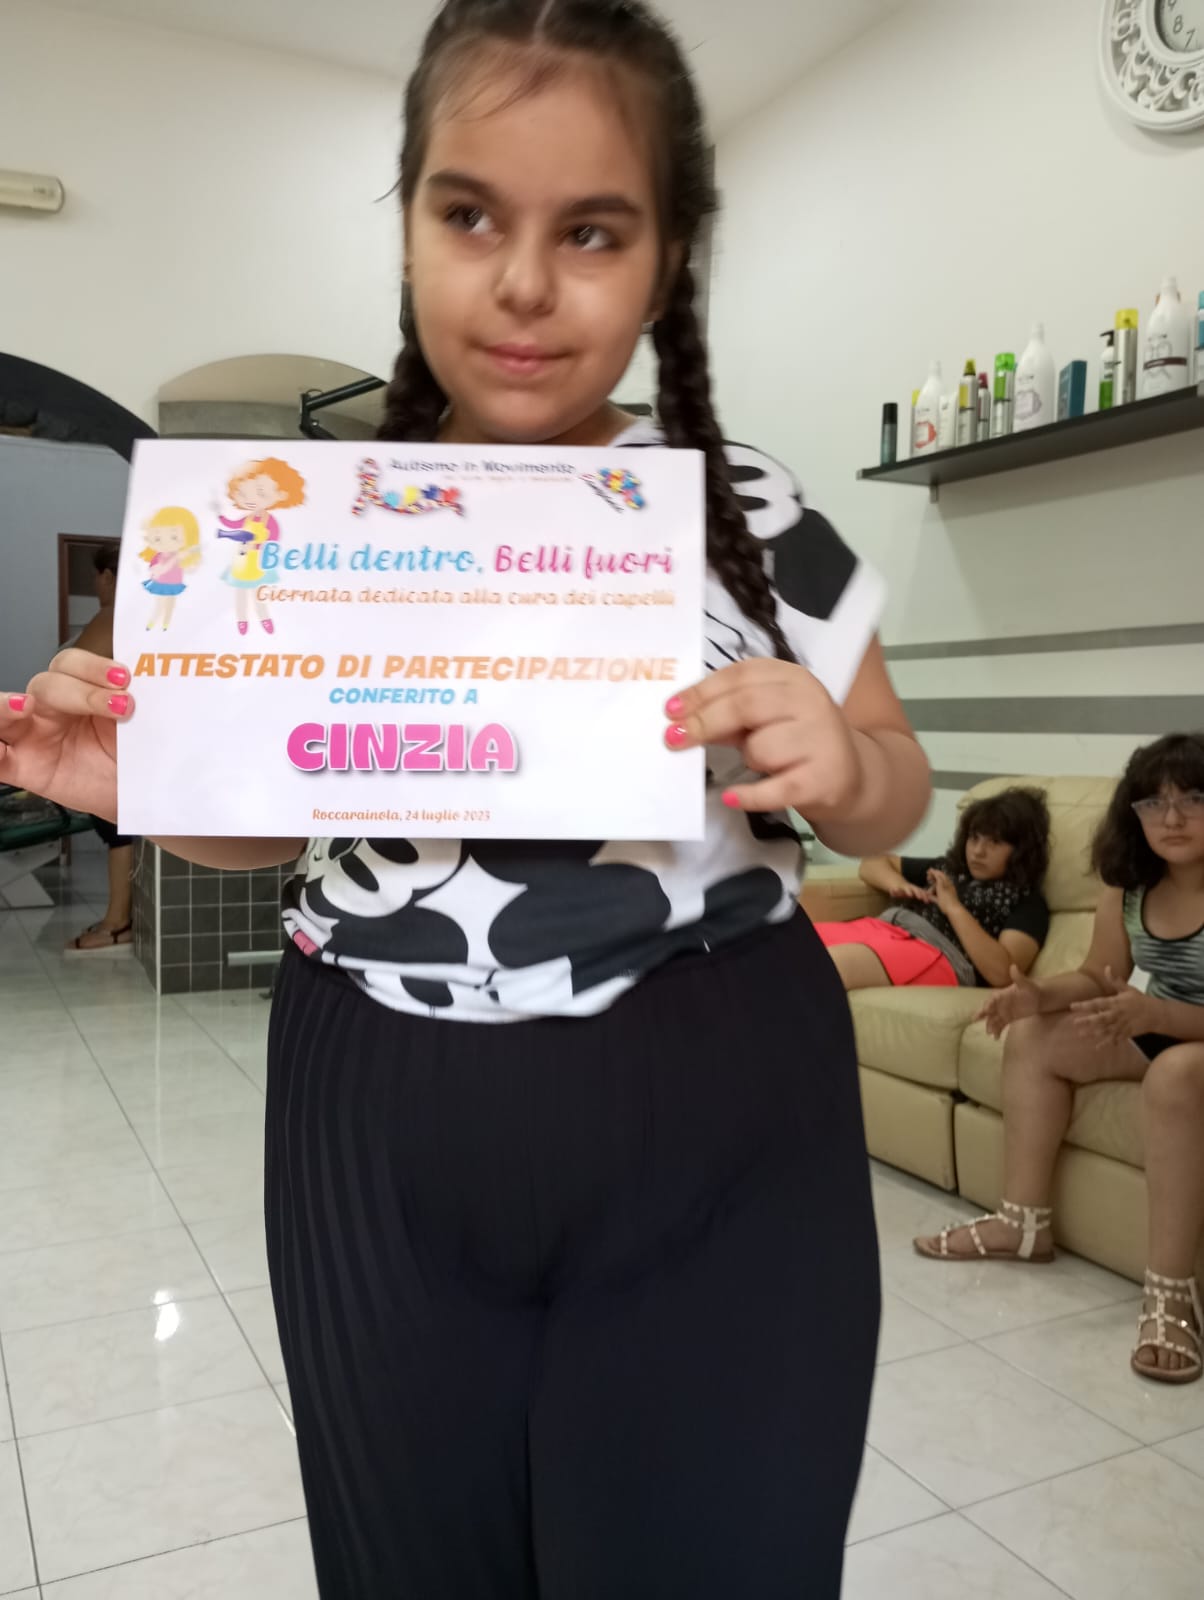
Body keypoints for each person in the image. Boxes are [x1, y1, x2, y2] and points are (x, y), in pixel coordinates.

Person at [0, 2, 932, 1592]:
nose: (523, 282)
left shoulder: (752, 507)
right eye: (472, 215)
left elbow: (893, 790)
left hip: (719, 1089)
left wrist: (846, 767)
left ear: (668, 260)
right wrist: (134, 786)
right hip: (378, 1108)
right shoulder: (303, 520)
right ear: (411, 228)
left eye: (592, 231)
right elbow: (268, 823)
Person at [915, 735, 1204, 1387]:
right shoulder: (1128, 885)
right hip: (1159, 1023)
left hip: (1186, 1042)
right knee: (1036, 1037)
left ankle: (1171, 1292)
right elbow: (1101, 975)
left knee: (1176, 1073)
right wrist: (1037, 995)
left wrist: (1158, 1017)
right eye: (1153, 803)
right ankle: (1022, 1223)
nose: (1172, 818)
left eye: (1192, 799)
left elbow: (1152, 1016)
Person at [815, 786, 1051, 991]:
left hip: (936, 952)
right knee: (796, 942)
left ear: (1021, 851)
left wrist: (954, 909)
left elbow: (1003, 973)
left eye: (995, 842)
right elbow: (872, 863)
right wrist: (898, 885)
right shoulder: (950, 867)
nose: (978, 851)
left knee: (823, 966)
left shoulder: (1027, 901)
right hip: (887, 927)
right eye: (974, 838)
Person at [65, 545, 134, 953]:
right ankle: (119, 919)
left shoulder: (113, 616)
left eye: (97, 577)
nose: (95, 585)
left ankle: (117, 923)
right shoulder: (146, 617)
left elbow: (74, 674)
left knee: (118, 829)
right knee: (120, 829)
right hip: (122, 742)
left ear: (108, 576)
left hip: (115, 744)